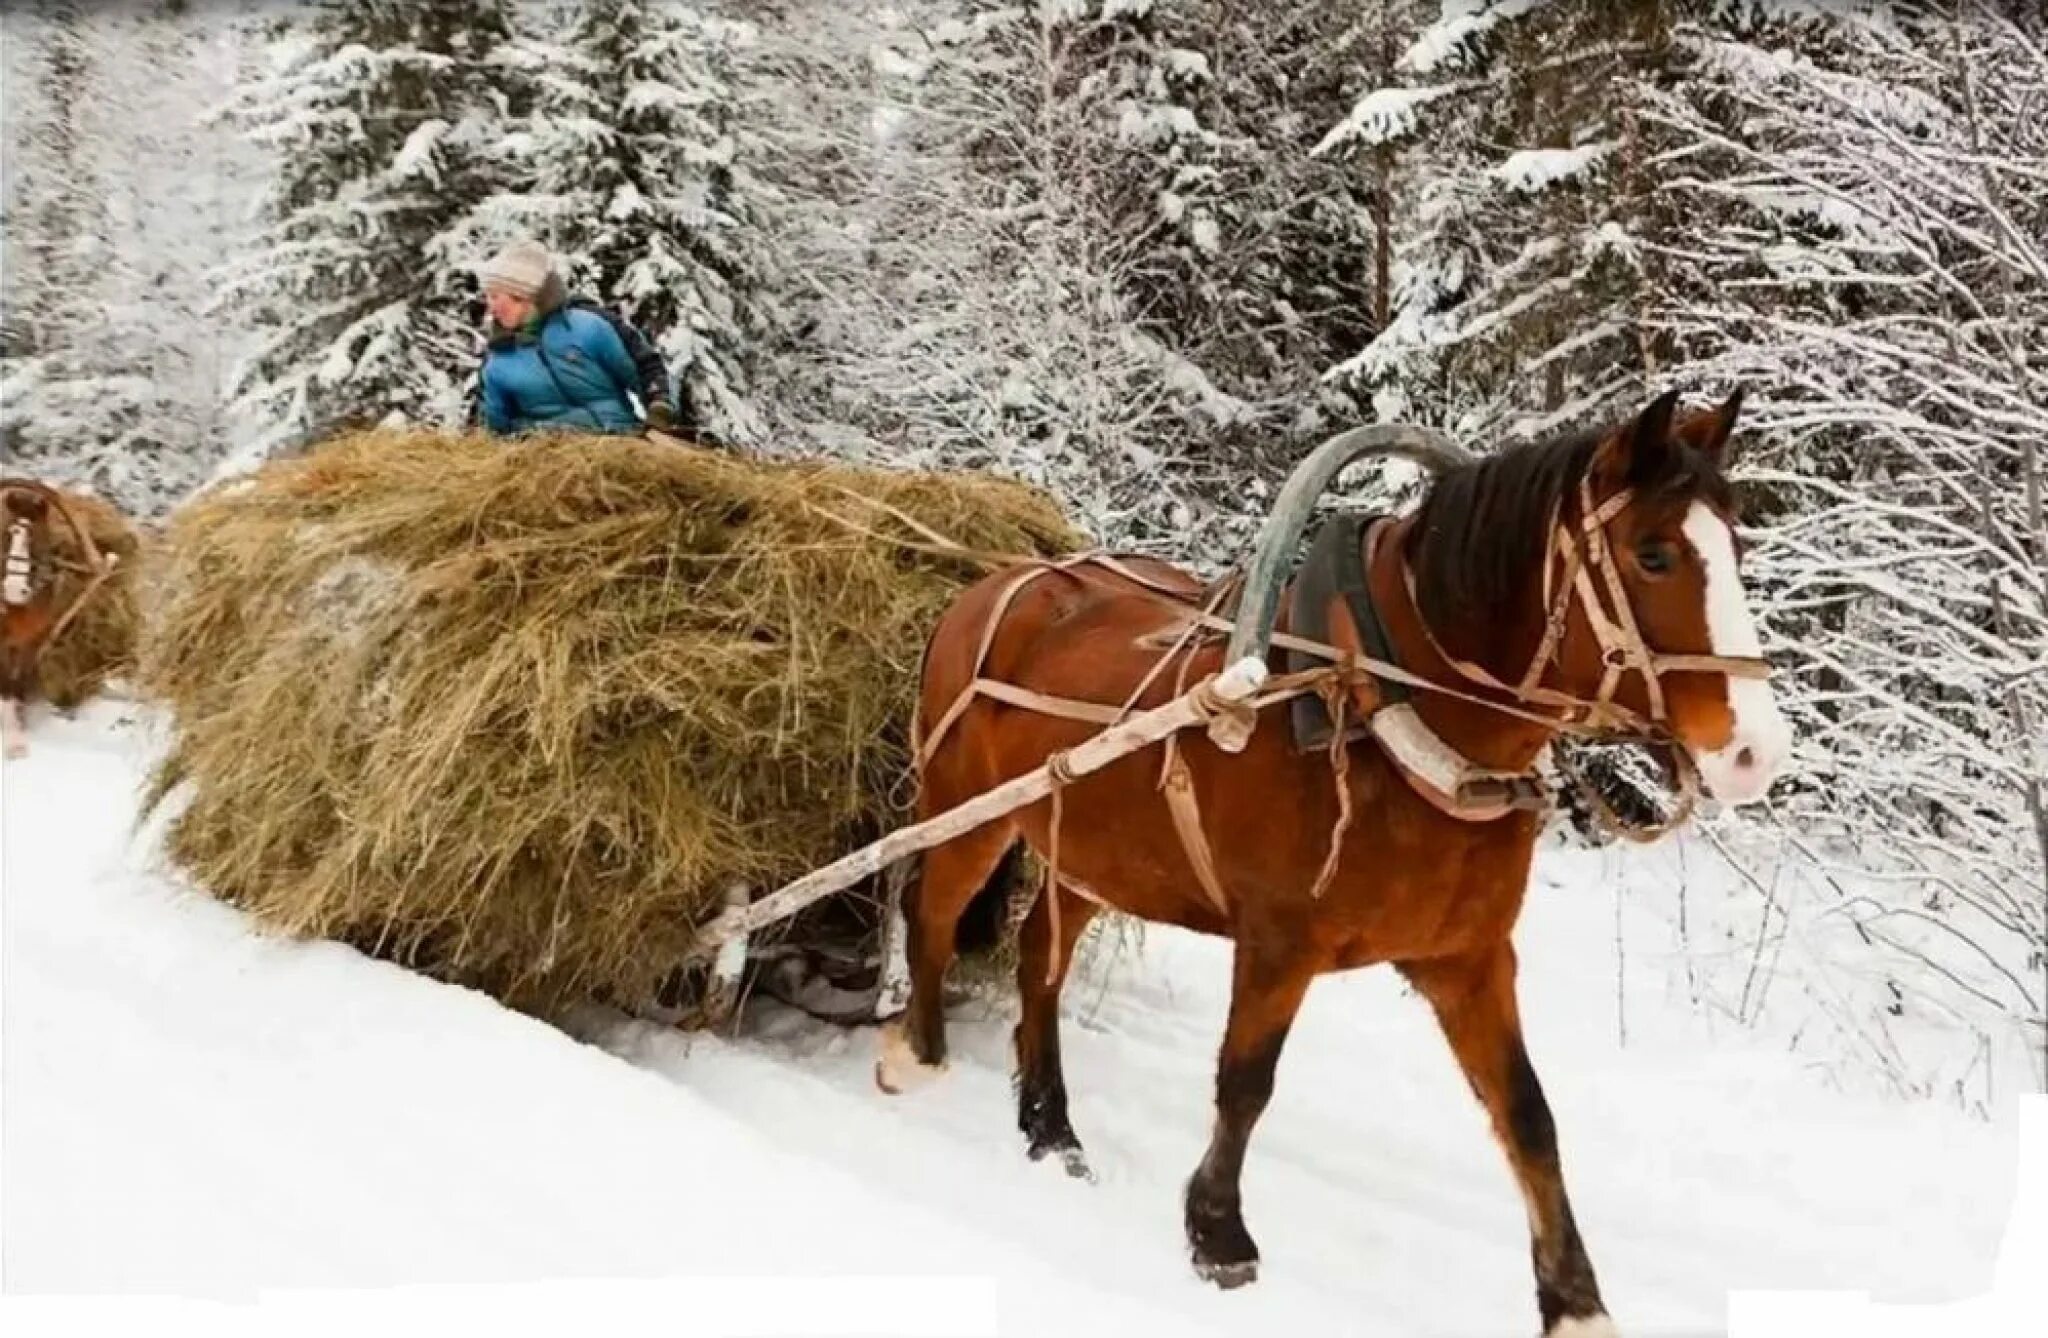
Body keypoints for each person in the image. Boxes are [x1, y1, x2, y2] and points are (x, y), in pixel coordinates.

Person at [471, 239, 686, 438]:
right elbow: (492, 428)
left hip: (620, 442)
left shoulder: (589, 326)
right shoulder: (498, 360)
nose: (490, 307)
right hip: (550, 460)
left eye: (495, 296)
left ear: (524, 296)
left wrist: (660, 408)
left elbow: (645, 367)